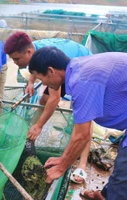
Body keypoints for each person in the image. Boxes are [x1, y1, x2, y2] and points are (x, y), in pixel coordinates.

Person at [28, 46, 127, 200]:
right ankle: (105, 195)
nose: (45, 84)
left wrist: (62, 167)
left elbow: (82, 136)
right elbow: (81, 128)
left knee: (124, 171)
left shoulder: (82, 80)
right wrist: (63, 158)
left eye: (41, 79)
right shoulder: (78, 68)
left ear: (51, 71)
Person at [4, 31, 92, 184]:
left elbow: (54, 98)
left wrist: (39, 125)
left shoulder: (54, 66)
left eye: (16, 59)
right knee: (43, 99)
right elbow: (36, 69)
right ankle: (32, 134)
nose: (15, 63)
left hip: (82, 65)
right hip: (62, 68)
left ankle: (82, 164)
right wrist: (31, 82)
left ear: (29, 52)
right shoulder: (37, 53)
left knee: (84, 116)